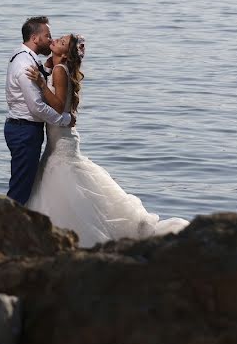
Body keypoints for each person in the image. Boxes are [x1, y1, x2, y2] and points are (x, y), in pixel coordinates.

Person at [24, 33, 189, 247]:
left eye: (62, 42)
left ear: (65, 54)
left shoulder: (59, 70)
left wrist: (39, 83)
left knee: (65, 184)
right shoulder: (56, 68)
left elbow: (56, 106)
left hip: (62, 142)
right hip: (59, 138)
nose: (55, 40)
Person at [4, 16, 74, 205]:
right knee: (20, 190)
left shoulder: (24, 56)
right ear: (35, 38)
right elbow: (37, 107)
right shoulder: (26, 64)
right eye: (47, 36)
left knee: (24, 185)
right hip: (24, 131)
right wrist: (65, 120)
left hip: (22, 129)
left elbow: (47, 76)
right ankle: (7, 228)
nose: (51, 40)